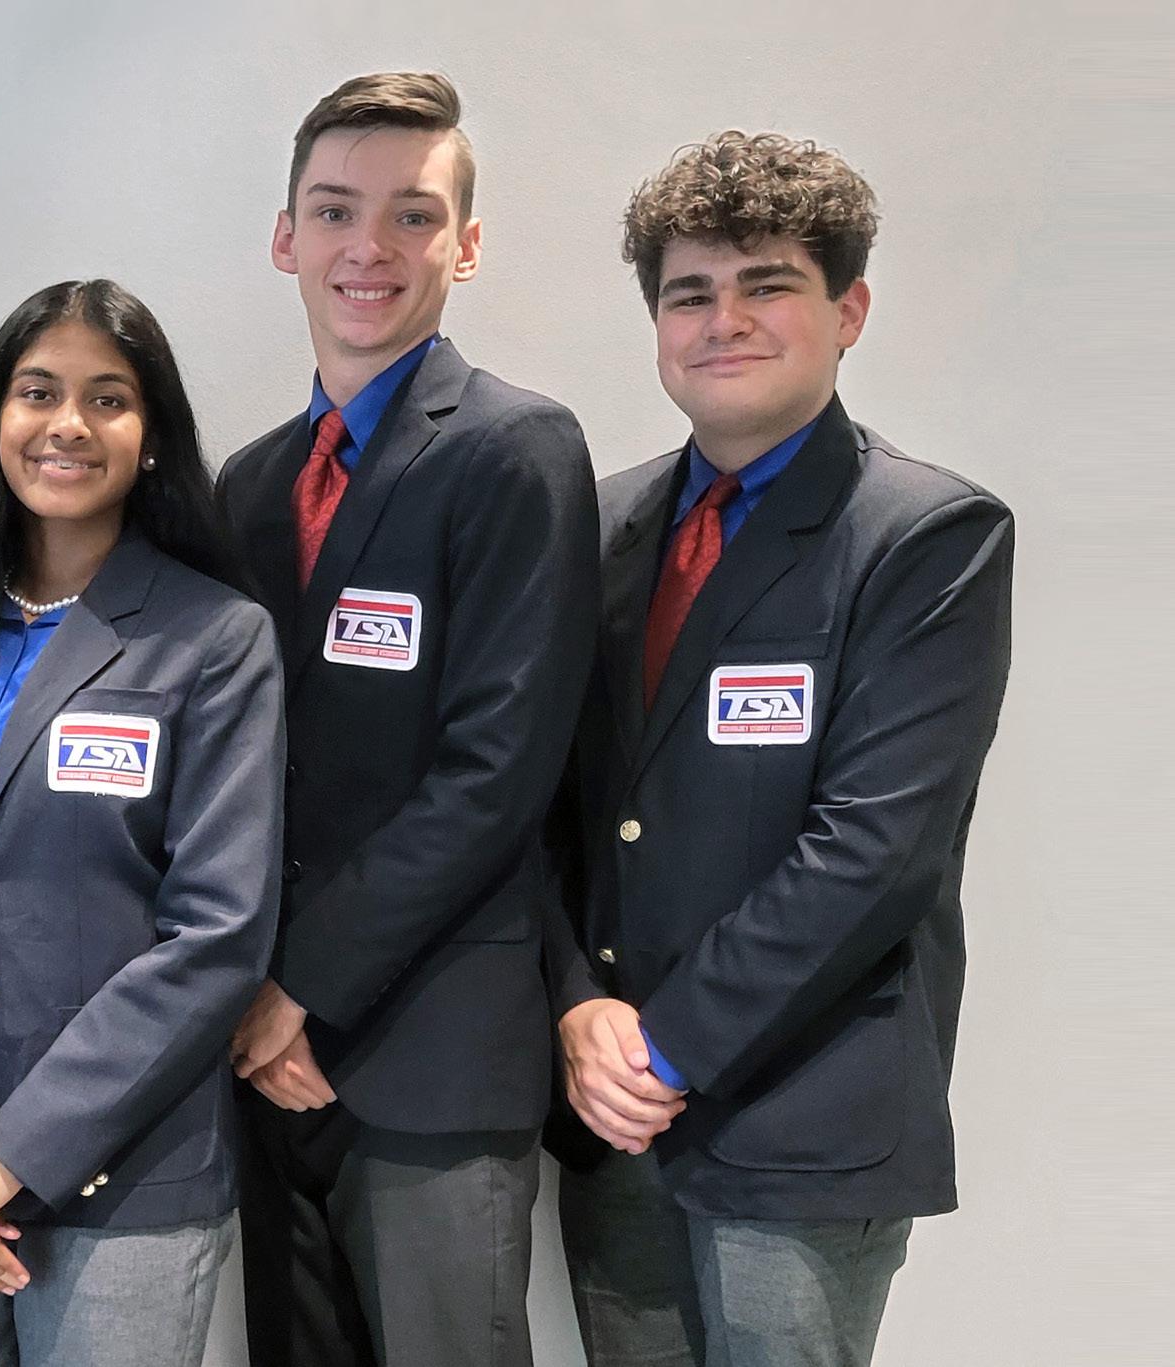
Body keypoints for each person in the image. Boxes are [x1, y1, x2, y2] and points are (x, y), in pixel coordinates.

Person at [543, 130, 1013, 1367]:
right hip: (618, 1122)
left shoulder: (927, 537)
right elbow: (544, 807)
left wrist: (662, 1043)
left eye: (767, 285)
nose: (723, 320)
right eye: (689, 293)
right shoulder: (597, 527)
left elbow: (874, 849)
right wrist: (576, 1004)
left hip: (804, 1125)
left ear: (847, 307)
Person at [215, 71, 599, 1367]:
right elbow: (236, 769)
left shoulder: (516, 451)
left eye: (413, 216)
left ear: (467, 245)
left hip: (430, 1057)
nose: (368, 247)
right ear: (285, 239)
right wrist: (248, 1002)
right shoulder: (253, 483)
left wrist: (299, 989)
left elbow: (495, 777)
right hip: (263, 1069)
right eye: (333, 210)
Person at [0, 278, 283, 1367]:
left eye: (108, 397)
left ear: (152, 436)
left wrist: (13, 1154)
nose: (68, 423)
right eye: (38, 391)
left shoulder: (215, 639)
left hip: (127, 1181)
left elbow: (217, 935)